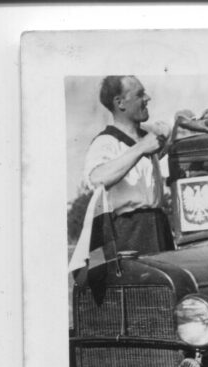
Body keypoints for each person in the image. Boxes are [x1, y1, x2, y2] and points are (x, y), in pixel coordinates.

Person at [82, 75, 173, 256]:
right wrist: (141, 148)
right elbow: (97, 178)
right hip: (129, 232)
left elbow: (175, 126)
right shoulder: (105, 142)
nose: (148, 98)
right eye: (140, 94)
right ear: (120, 103)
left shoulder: (148, 134)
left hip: (160, 226)